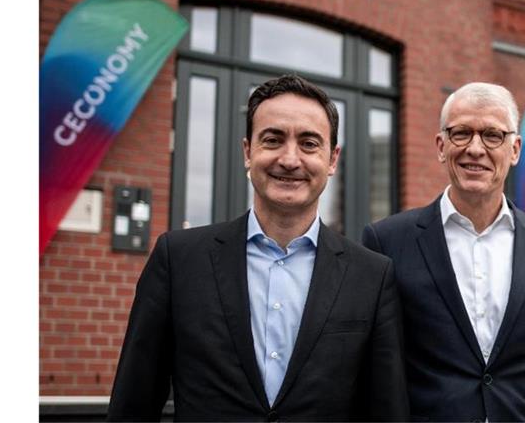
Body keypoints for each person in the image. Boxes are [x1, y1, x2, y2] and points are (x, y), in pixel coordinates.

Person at [108, 74, 409, 421]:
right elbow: (133, 404)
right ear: (248, 151)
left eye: (309, 143)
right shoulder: (178, 260)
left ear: (332, 159)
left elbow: (387, 412)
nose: (290, 159)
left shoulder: (372, 276)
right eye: (273, 140)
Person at [362, 82, 525, 422]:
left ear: (516, 149)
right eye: (461, 133)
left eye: (493, 135)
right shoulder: (386, 241)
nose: (475, 148)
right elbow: (375, 374)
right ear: (441, 145)